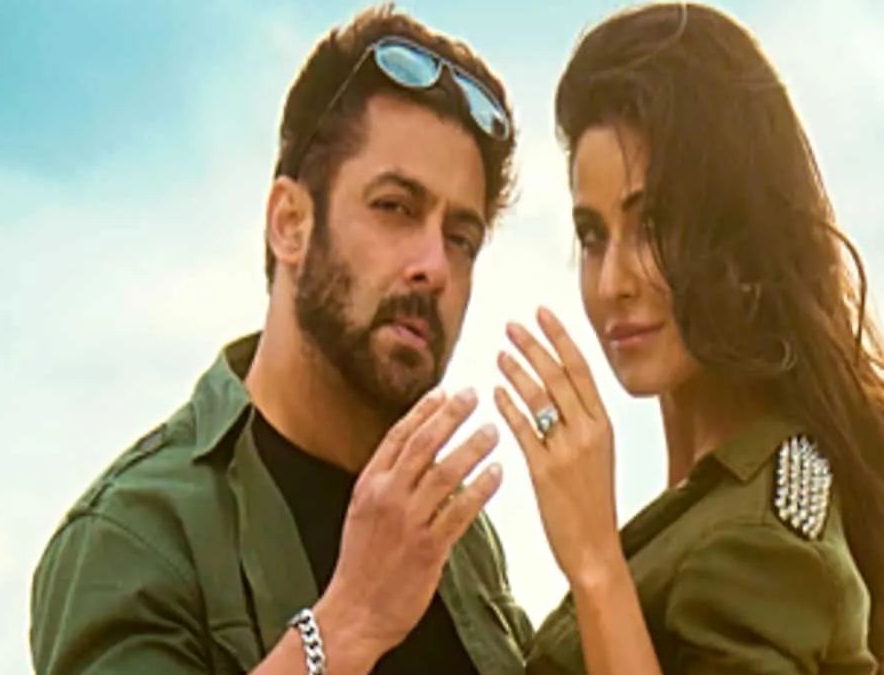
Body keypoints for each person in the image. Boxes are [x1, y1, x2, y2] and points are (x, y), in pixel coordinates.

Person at [30, 6, 533, 674]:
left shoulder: (452, 535)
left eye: (461, 238)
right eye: (395, 207)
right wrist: (347, 623)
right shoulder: (134, 534)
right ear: (290, 224)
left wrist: (595, 563)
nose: (434, 266)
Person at [492, 3, 884, 674]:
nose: (612, 282)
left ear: (740, 234)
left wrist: (594, 562)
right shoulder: (707, 508)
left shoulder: (759, 539)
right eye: (592, 235)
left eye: (654, 226)